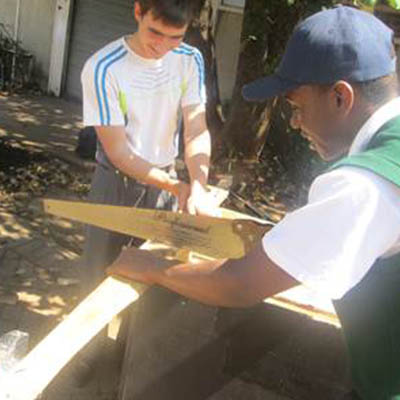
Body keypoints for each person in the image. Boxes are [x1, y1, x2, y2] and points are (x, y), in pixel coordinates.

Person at [107, 6, 400, 400]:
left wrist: (151, 267)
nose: (295, 124)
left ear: (340, 97)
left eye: (296, 108)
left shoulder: (364, 185)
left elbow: (240, 283)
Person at [77, 0, 215, 384]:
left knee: (155, 276)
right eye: (155, 32)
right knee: (99, 272)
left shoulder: (189, 59)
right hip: (115, 182)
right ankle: (89, 353)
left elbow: (196, 128)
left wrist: (198, 185)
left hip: (168, 181)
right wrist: (177, 185)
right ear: (138, 11)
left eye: (175, 37)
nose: (162, 46)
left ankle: (132, 357)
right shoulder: (103, 67)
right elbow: (119, 153)